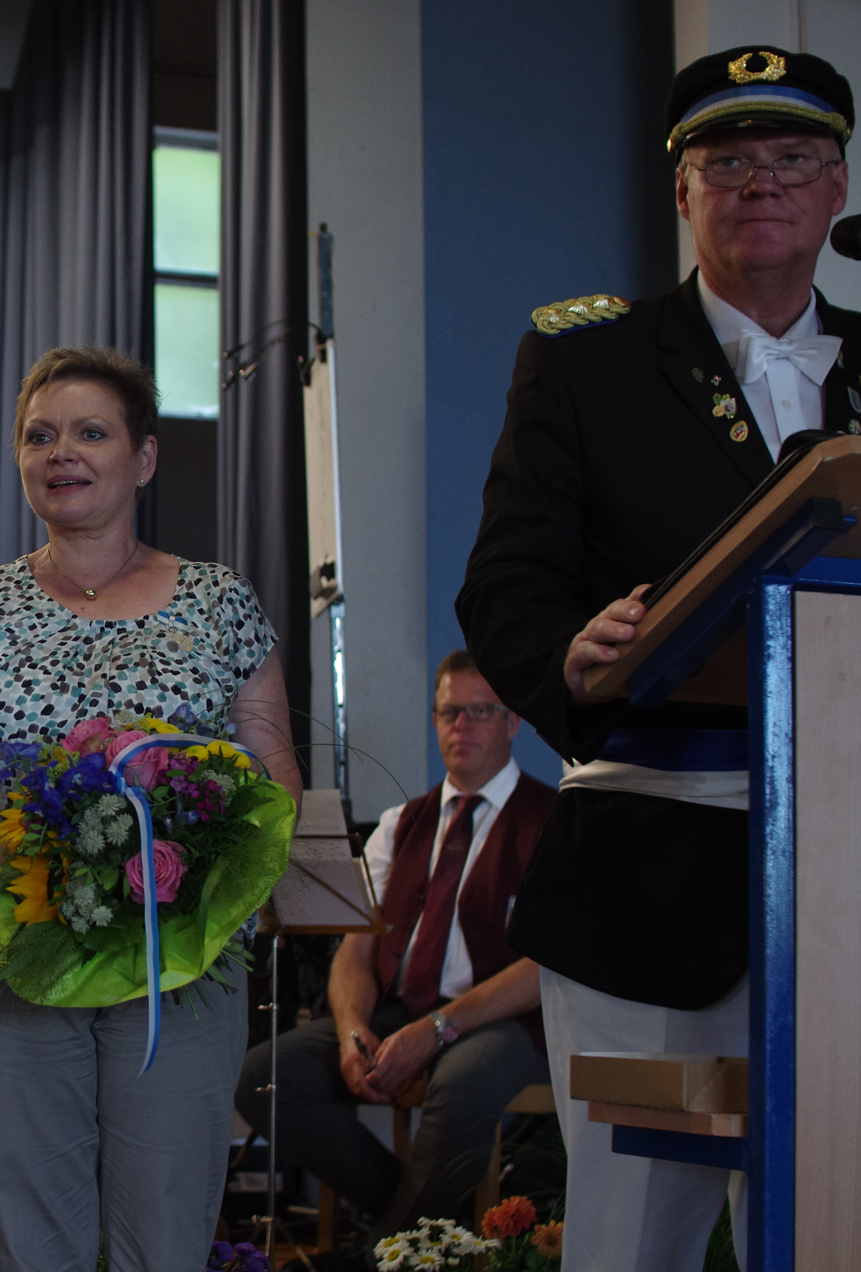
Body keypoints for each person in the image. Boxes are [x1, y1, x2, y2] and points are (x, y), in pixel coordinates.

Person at [457, 46, 860, 1271]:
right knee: (633, 1243)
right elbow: (507, 585)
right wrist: (572, 660)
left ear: (837, 188)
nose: (761, 183)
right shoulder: (589, 359)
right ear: (681, 191)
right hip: (650, 873)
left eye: (792, 158)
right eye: (726, 163)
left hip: (848, 877)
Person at [0, 345, 303, 1272]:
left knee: (164, 1226)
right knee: (33, 1226)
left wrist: (180, 891)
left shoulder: (219, 601)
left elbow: (273, 778)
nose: (62, 453)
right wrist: (45, 881)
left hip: (181, 953)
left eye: (90, 432)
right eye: (40, 436)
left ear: (143, 457)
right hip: (19, 945)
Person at [235, 650, 553, 1242]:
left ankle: (395, 1250)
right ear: (434, 720)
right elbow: (357, 951)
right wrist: (353, 1030)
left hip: (505, 1022)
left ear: (512, 721)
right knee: (262, 1075)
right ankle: (420, 1237)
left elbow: (546, 967)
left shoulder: (552, 821)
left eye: (481, 711)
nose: (462, 726)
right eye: (450, 712)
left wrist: (438, 1030)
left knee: (461, 1084)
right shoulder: (401, 823)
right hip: (401, 1009)